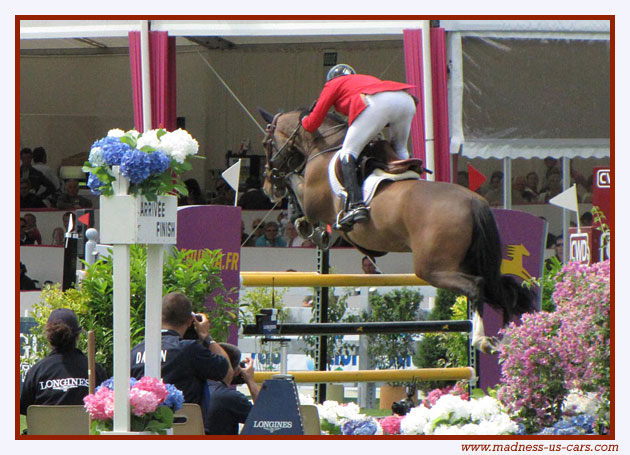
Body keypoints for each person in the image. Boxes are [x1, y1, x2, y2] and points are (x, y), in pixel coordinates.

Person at [300, 64, 416, 231]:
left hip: (378, 102)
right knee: (399, 148)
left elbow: (313, 123)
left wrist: (304, 119)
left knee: (347, 153)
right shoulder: (363, 79)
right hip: (405, 100)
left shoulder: (333, 84)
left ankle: (356, 205)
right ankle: (413, 183)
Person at [130, 292, 231, 426]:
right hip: (185, 431)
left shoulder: (135, 351)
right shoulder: (189, 350)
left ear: (159, 318)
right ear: (190, 321)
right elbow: (226, 370)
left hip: (144, 431)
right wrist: (206, 337)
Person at [20, 308, 108, 415]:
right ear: (77, 336)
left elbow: (25, 408)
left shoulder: (36, 371)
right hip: (82, 431)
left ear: (49, 337)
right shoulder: (94, 369)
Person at [204, 343, 260, 435]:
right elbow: (265, 420)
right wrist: (250, 381)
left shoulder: (192, 389)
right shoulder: (231, 398)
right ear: (237, 371)